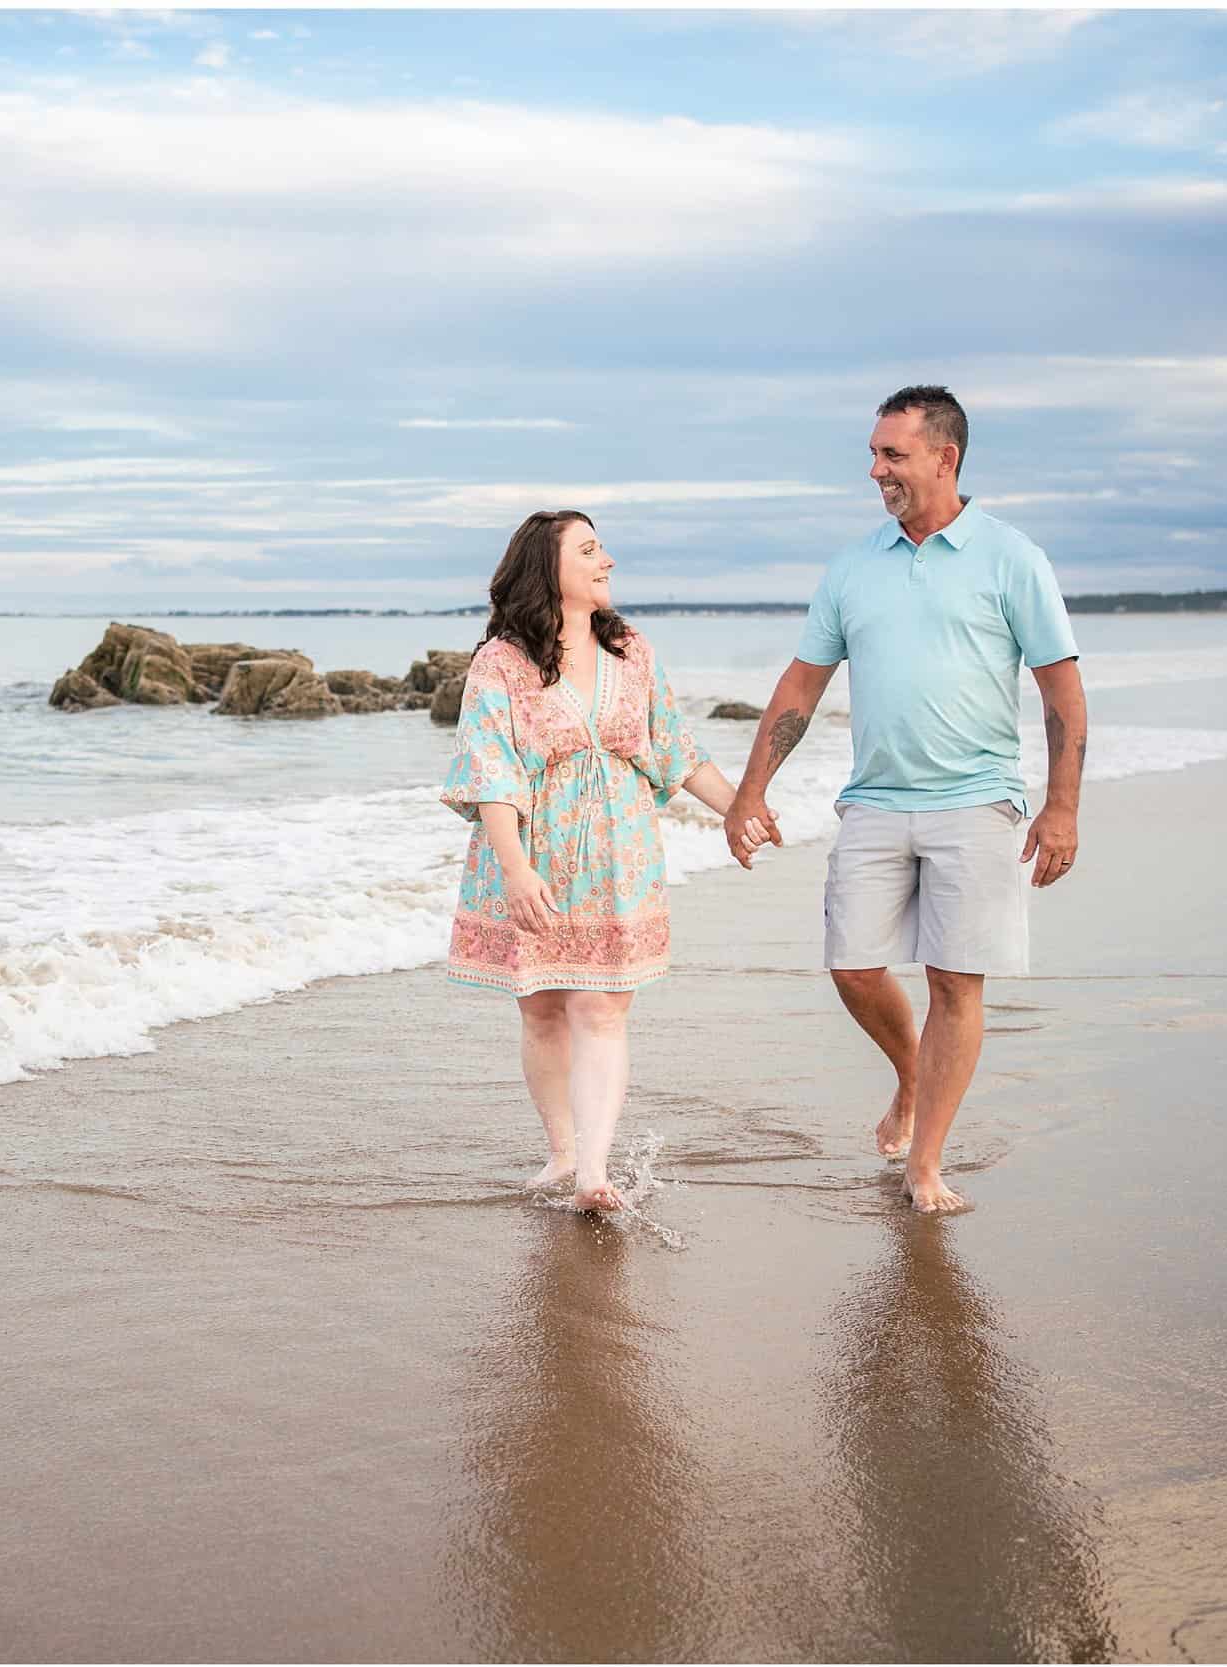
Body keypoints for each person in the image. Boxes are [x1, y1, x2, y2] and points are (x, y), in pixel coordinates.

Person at [721, 386, 1087, 1214]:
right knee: (851, 964)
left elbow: (1061, 687)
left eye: (893, 454)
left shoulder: (1011, 556)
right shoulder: (853, 565)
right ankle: (912, 1074)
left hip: (978, 800)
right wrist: (750, 790)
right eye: (876, 453)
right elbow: (802, 683)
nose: (876, 469)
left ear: (945, 458)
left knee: (957, 982)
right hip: (875, 801)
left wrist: (1061, 806)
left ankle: (926, 1164)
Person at [441, 509, 750, 1214]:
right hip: (533, 855)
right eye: (588, 550)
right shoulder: (502, 662)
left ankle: (595, 1172)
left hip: (620, 856)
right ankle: (563, 1151)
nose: (607, 560)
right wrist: (516, 869)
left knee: (603, 1009)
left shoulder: (632, 650)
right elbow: (490, 770)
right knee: (545, 1010)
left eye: (601, 547)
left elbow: (674, 747)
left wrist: (738, 808)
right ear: (547, 570)